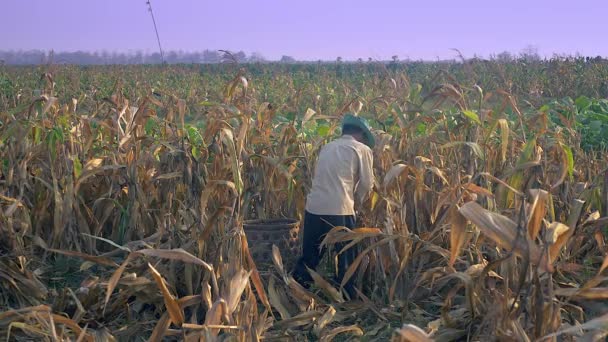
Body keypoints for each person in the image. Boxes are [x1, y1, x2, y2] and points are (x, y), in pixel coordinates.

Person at [292, 113, 375, 298]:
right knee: (346, 257)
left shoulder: (327, 147)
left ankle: (297, 291)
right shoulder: (362, 149)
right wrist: (358, 204)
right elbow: (367, 184)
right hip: (340, 209)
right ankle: (347, 296)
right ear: (361, 133)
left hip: (314, 207)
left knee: (310, 255)